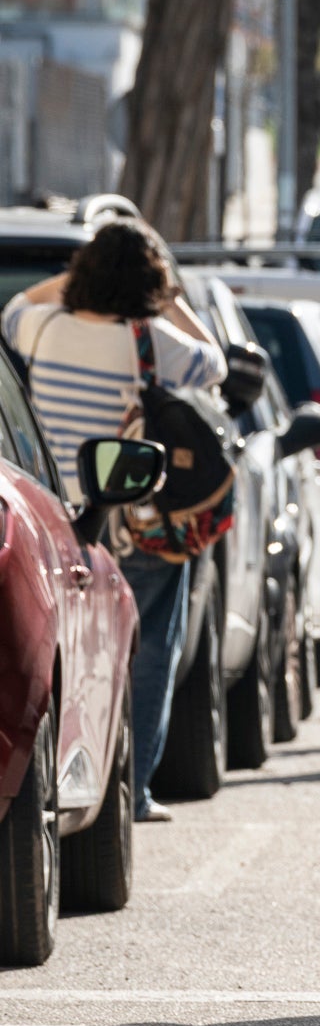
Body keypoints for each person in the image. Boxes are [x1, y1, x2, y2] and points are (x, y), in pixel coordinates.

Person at [3, 221, 226, 824]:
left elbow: (19, 305)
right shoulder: (150, 340)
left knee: (69, 659)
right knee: (151, 650)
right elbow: (216, 364)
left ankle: (75, 770)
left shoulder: (40, 327)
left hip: (61, 522)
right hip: (135, 520)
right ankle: (135, 788)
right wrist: (175, 300)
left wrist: (76, 278)